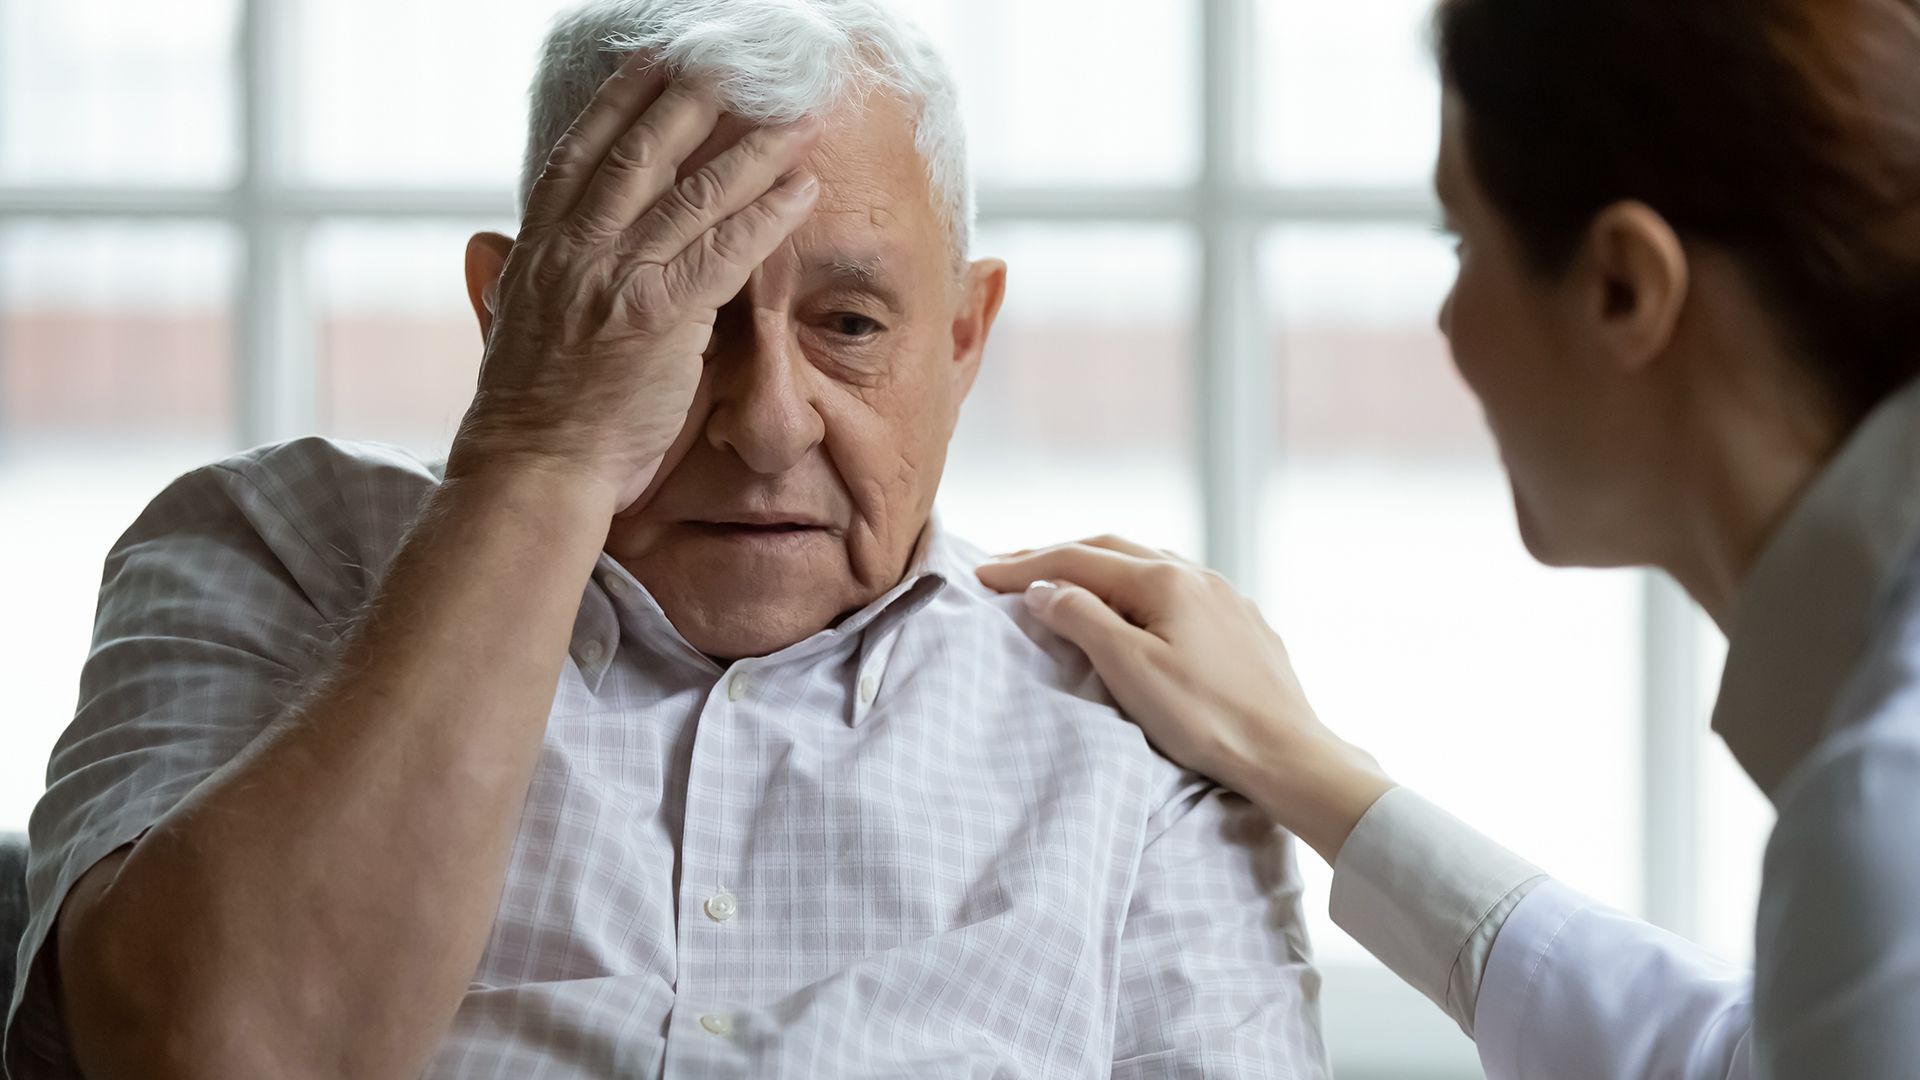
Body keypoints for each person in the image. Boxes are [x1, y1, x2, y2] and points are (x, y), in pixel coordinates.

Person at [2, 2, 1333, 1077]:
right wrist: (541, 448)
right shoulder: (272, 551)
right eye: (670, 313)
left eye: (850, 325)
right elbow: (210, 1056)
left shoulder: (1134, 726)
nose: (765, 422)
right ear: (512, 311)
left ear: (962, 339)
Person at [979, 0, 1920, 1077]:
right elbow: (1744, 1055)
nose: (1445, 323)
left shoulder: (1886, 817)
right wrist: (1307, 769)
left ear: (1624, 288)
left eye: (1464, 243)